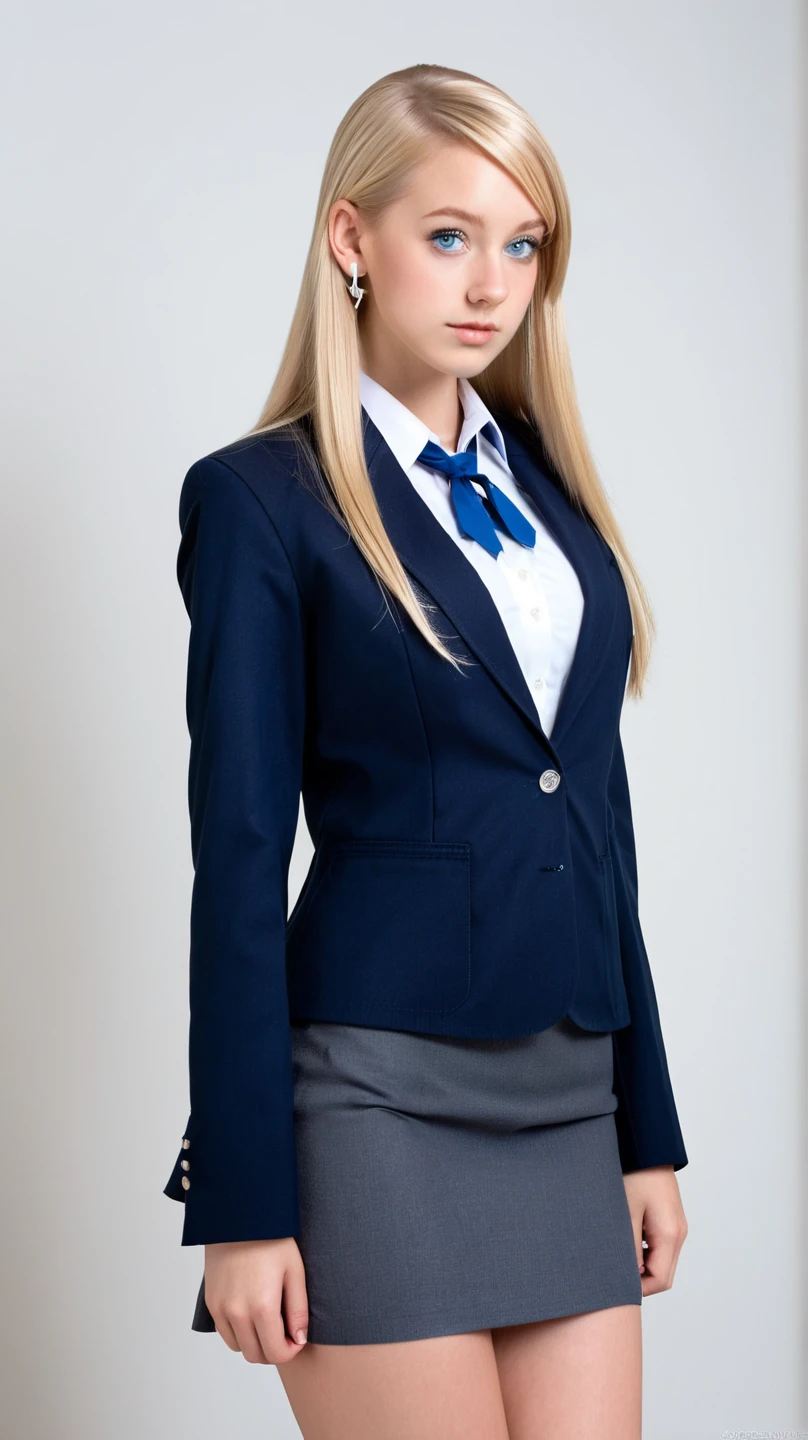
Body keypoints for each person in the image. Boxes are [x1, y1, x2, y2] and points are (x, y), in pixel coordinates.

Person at [162, 62, 689, 1439]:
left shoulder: (553, 492)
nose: (489, 282)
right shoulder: (258, 502)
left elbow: (598, 828)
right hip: (376, 1100)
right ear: (353, 240)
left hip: (573, 1093)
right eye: (449, 235)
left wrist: (649, 1133)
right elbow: (235, 863)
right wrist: (241, 1205)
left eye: (522, 246)